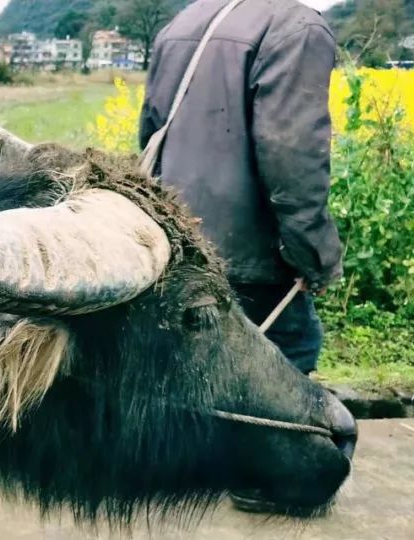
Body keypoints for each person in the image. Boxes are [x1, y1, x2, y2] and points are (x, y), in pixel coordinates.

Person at [138, 0, 345, 514]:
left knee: (201, 359)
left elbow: (149, 132)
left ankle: (201, 467)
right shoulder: (296, 27)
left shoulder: (183, 23)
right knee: (288, 353)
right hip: (250, 245)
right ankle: (265, 483)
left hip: (179, 235)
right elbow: (293, 156)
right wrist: (315, 255)